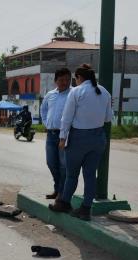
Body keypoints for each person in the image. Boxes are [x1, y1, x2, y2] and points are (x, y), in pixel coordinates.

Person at [49, 64, 113, 221]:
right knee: (90, 175)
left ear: (79, 78)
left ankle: (64, 202)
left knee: (72, 175)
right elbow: (108, 118)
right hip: (98, 138)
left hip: (78, 138)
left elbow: (67, 118)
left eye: (75, 79)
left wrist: (63, 138)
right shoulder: (104, 92)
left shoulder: (76, 92)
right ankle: (85, 209)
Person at [40, 68, 72, 200]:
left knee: (63, 165)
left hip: (65, 135)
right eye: (61, 80)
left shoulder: (73, 93)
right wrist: (46, 124)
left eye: (67, 80)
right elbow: (44, 109)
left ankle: (61, 192)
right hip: (51, 134)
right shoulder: (50, 94)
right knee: (51, 163)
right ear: (55, 81)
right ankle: (57, 188)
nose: (64, 82)